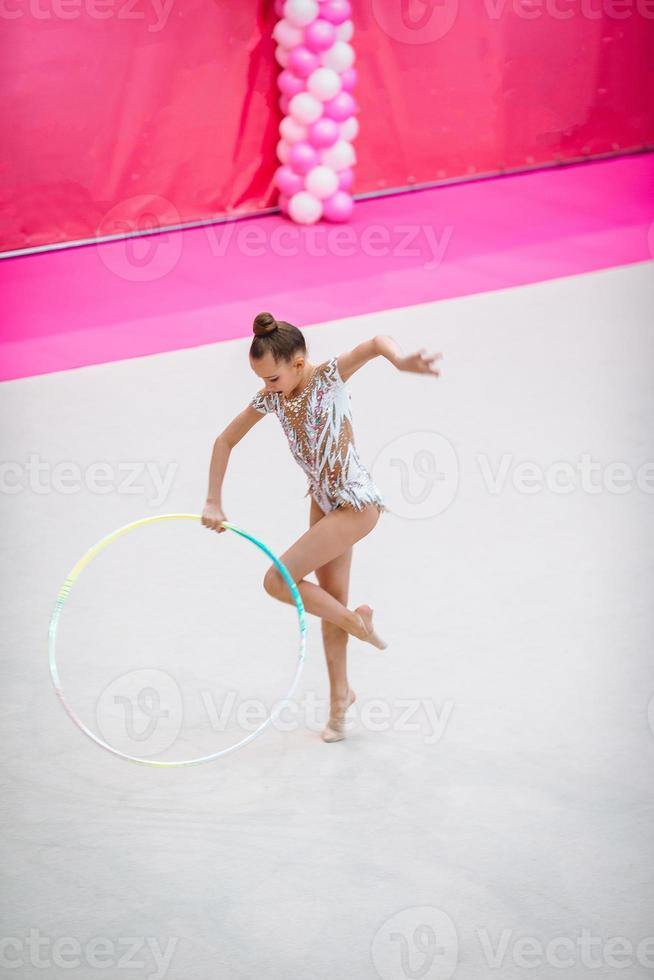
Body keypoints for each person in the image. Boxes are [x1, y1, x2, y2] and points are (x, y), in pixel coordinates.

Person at [202, 311, 442, 742]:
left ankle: (357, 625)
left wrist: (400, 360)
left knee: (278, 581)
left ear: (298, 363)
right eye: (261, 380)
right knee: (327, 603)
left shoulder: (327, 377)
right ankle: (339, 703)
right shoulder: (273, 397)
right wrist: (213, 501)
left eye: (272, 378)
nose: (266, 387)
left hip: (355, 504)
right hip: (323, 502)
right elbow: (225, 440)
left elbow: (374, 341)